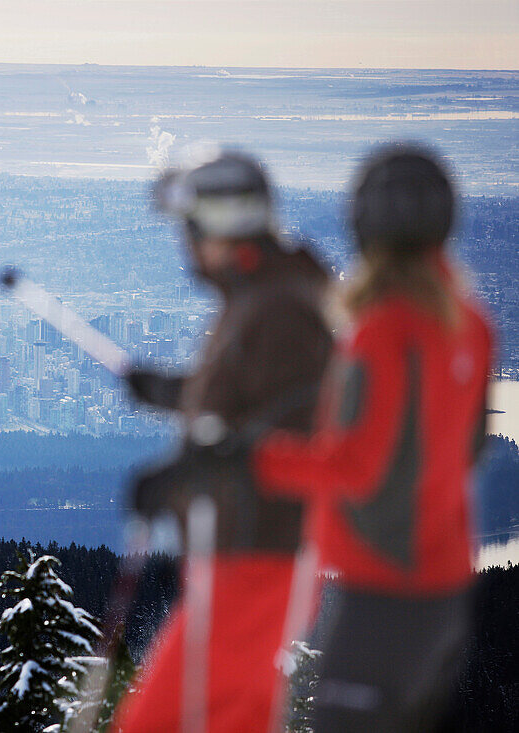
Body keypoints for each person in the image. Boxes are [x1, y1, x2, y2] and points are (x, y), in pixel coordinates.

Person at [252, 144, 493, 731]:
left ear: (363, 226)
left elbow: (355, 466)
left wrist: (255, 461)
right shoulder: (469, 322)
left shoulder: (382, 327)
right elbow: (471, 446)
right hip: (443, 589)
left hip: (382, 587)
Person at [111, 149, 333, 732]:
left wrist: (190, 472)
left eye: (190, 227)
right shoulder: (262, 299)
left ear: (220, 224)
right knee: (236, 719)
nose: (184, 243)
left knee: (155, 722)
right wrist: (168, 391)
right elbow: (251, 403)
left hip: (255, 562)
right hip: (249, 554)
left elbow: (300, 434)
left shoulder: (280, 308)